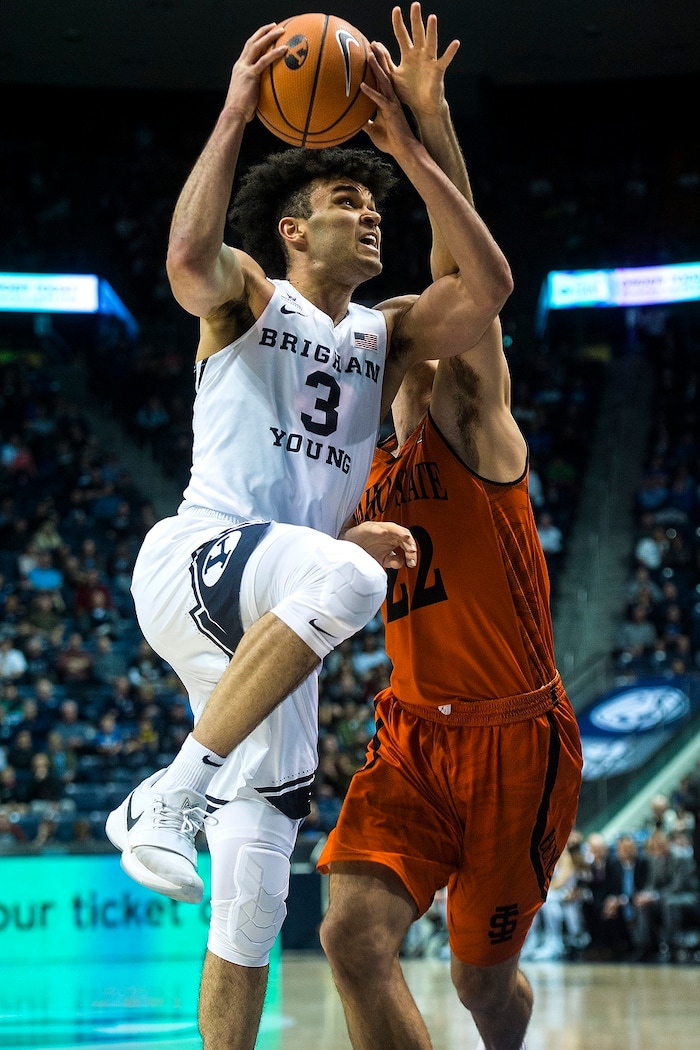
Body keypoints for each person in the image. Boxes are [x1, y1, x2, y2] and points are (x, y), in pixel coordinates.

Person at [105, 6, 512, 1050]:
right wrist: (239, 110)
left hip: (276, 630)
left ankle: (189, 801)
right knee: (346, 579)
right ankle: (169, 794)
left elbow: (489, 288)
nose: (368, 217)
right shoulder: (250, 297)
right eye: (344, 201)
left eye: (371, 205)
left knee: (249, 895)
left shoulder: (390, 334)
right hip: (198, 565)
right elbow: (190, 254)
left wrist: (409, 151)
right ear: (292, 228)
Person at [315, 11, 582, 1050]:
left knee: (481, 988)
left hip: (518, 742)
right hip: (412, 734)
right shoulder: (361, 477)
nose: (420, 325)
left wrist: (423, 138)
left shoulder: (475, 426)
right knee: (349, 936)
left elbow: (469, 275)